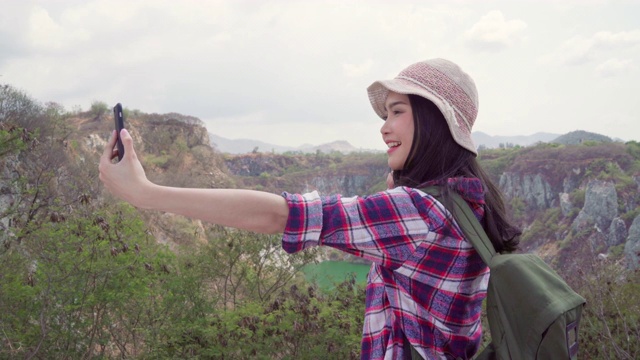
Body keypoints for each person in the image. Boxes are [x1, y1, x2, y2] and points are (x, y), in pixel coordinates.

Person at [99, 58, 520, 359]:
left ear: (433, 122)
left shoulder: (418, 213)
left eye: (397, 112)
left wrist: (146, 193)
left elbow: (282, 215)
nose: (383, 126)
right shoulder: (466, 200)